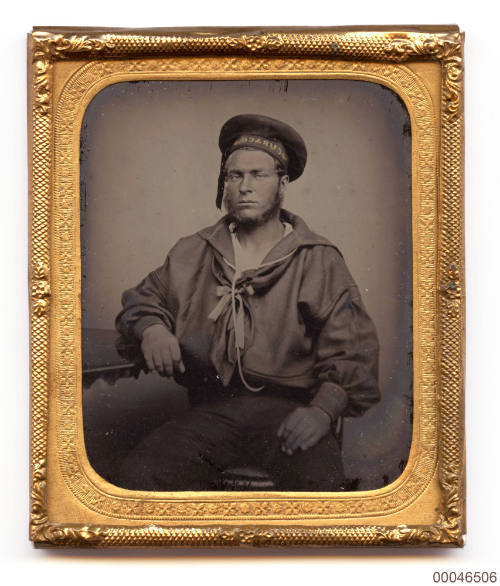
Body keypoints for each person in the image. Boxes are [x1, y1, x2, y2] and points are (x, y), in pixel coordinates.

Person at [115, 114, 380, 491]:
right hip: (210, 413)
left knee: (322, 495)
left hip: (288, 414)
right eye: (235, 176)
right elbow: (142, 301)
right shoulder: (194, 251)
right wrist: (152, 329)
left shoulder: (317, 259)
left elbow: (354, 352)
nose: (245, 187)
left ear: (282, 184)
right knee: (138, 478)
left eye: (258, 175)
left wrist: (323, 411)